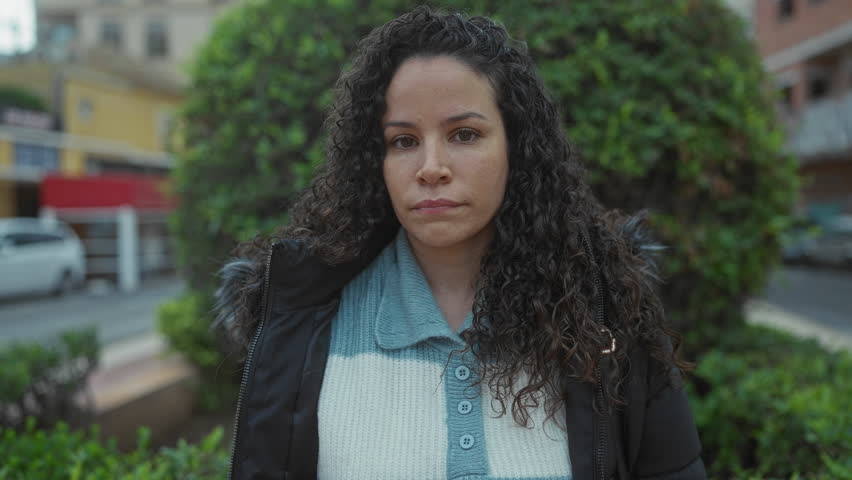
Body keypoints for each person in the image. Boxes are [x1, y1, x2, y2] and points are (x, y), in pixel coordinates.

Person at [216, 6, 706, 480]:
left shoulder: (605, 312)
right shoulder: (305, 321)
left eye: (464, 134)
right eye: (404, 141)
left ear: (516, 147)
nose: (431, 168)